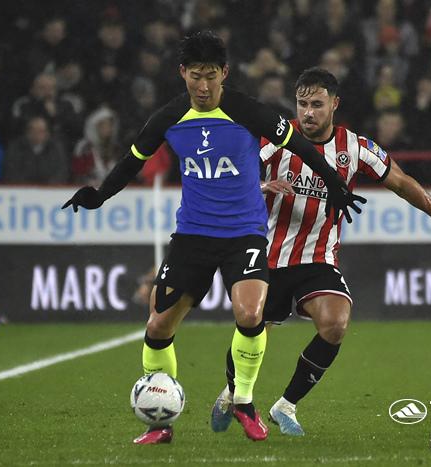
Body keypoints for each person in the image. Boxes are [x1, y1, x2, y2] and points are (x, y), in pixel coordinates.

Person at [61, 32, 363, 445]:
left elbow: (300, 147)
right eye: (195, 76)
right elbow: (132, 160)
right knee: (158, 323)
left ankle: (244, 403)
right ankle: (160, 424)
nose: (203, 86)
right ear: (182, 73)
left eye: (210, 76)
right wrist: (98, 196)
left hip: (244, 233)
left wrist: (334, 183)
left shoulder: (247, 111)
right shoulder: (169, 117)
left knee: (251, 314)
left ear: (224, 73)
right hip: (193, 235)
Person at [210, 67, 431, 436]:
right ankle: (232, 392)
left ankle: (286, 405)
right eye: (302, 104)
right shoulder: (273, 138)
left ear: (335, 104)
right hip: (268, 255)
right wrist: (260, 186)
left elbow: (401, 182)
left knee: (335, 324)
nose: (308, 113)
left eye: (317, 105)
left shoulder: (355, 148)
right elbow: (225, 178)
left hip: (318, 258)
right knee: (253, 328)